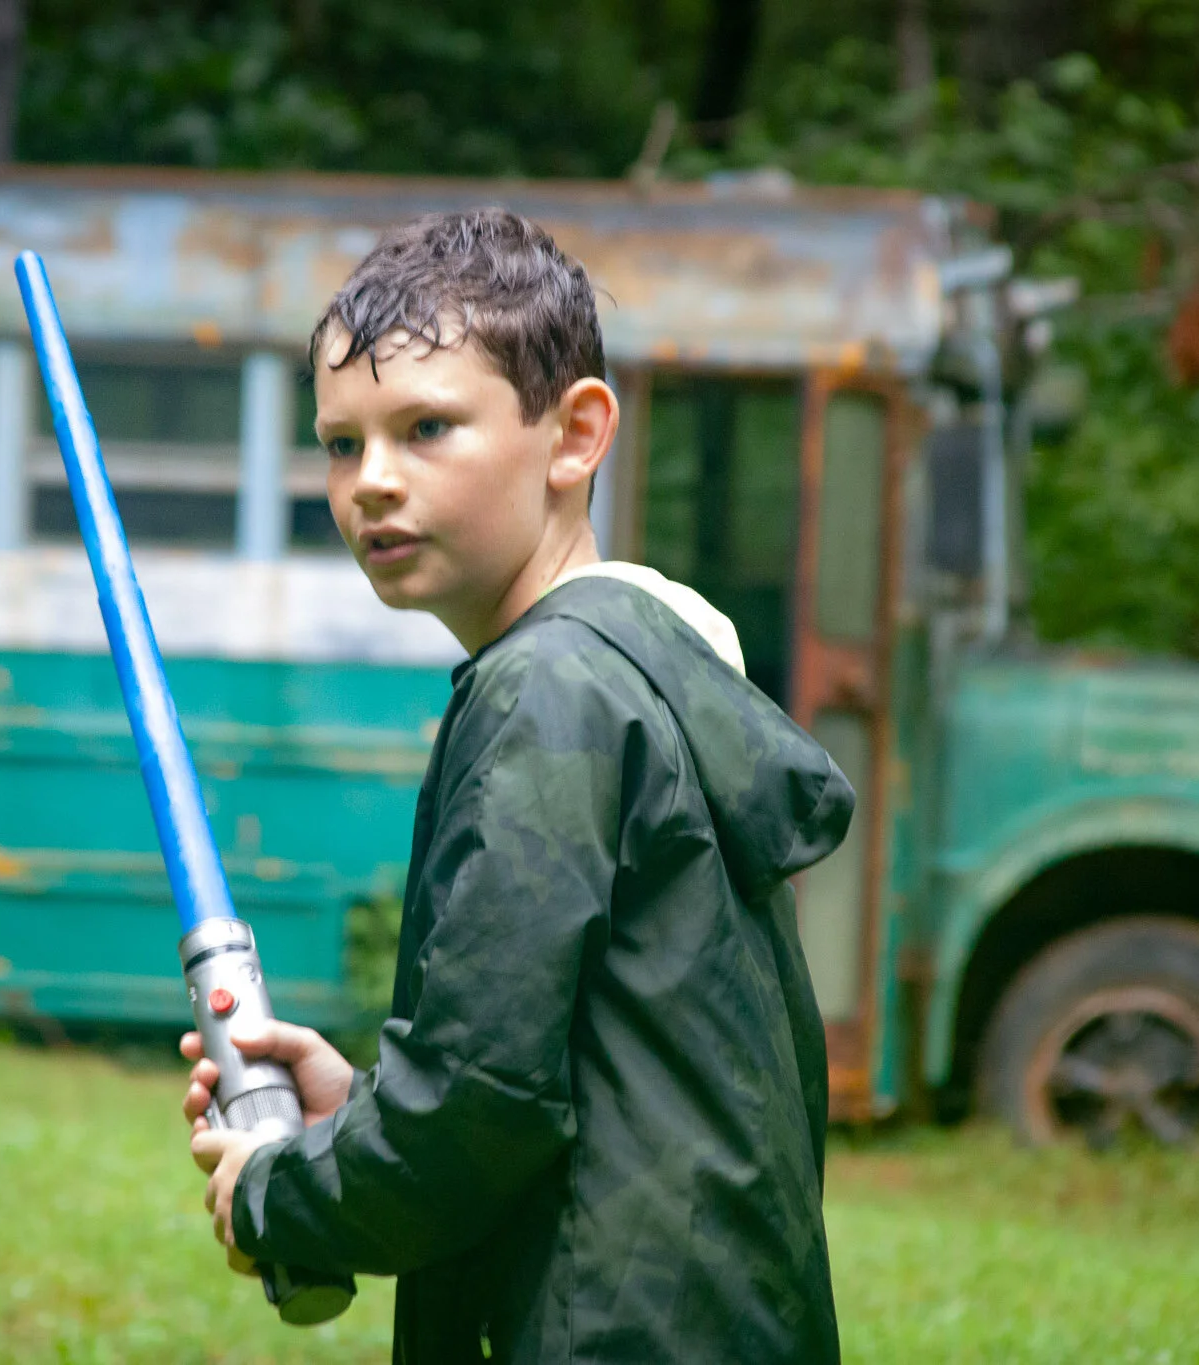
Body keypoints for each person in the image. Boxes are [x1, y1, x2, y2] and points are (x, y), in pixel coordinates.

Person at [183, 208, 854, 1365]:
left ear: (573, 434)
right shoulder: (626, 666)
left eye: (426, 428)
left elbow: (476, 1105)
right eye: (341, 445)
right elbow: (564, 1073)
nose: (370, 483)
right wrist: (358, 1110)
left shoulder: (546, 691)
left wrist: (277, 1194)